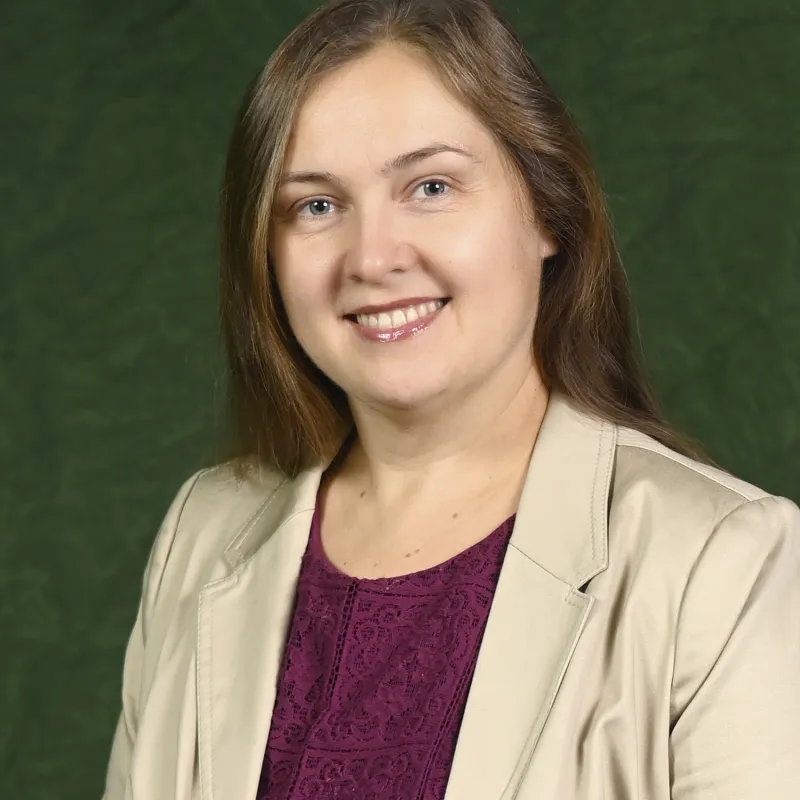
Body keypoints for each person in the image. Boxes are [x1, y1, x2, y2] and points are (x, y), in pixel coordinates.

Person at [103, 0, 800, 798]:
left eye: (430, 186)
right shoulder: (203, 532)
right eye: (317, 206)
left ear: (547, 210)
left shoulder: (723, 565)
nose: (372, 257)